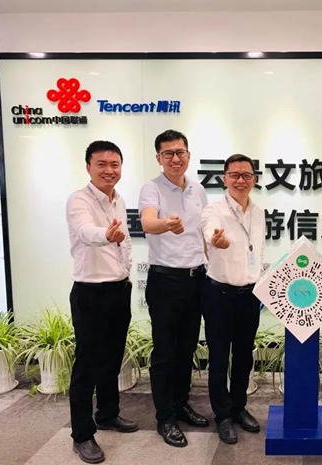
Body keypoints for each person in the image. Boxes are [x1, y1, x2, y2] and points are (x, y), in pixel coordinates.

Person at [66, 140, 139, 464]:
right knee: (87, 365)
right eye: (102, 164)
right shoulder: (79, 200)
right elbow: (86, 232)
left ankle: (107, 414)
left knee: (112, 358)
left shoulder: (118, 200)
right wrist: (106, 235)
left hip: (118, 290)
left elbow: (124, 242)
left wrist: (126, 270)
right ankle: (82, 435)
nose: (109, 170)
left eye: (115, 164)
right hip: (91, 292)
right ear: (88, 167)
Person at [139, 129, 210, 448]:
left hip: (196, 280)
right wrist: (166, 223)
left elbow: (202, 234)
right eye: (168, 153)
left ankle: (181, 404)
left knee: (187, 348)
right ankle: (165, 417)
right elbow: (147, 222)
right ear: (159, 158)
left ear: (188, 155)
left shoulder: (198, 189)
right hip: (165, 281)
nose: (175, 158)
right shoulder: (151, 188)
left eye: (180, 152)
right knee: (165, 352)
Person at [201, 154, 265, 445]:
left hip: (249, 295)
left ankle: (238, 407)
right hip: (219, 294)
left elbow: (258, 250)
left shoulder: (259, 212)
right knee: (218, 357)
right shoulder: (214, 209)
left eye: (246, 175)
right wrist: (216, 240)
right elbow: (210, 232)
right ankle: (223, 416)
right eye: (235, 175)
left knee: (243, 356)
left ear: (254, 179)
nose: (241, 180)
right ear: (224, 178)